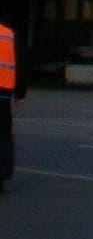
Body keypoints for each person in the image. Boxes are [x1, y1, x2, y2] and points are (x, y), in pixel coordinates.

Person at [1, 19, 20, 197]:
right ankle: (2, 175)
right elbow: (19, 63)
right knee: (4, 134)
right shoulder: (8, 34)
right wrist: (21, 92)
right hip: (4, 94)